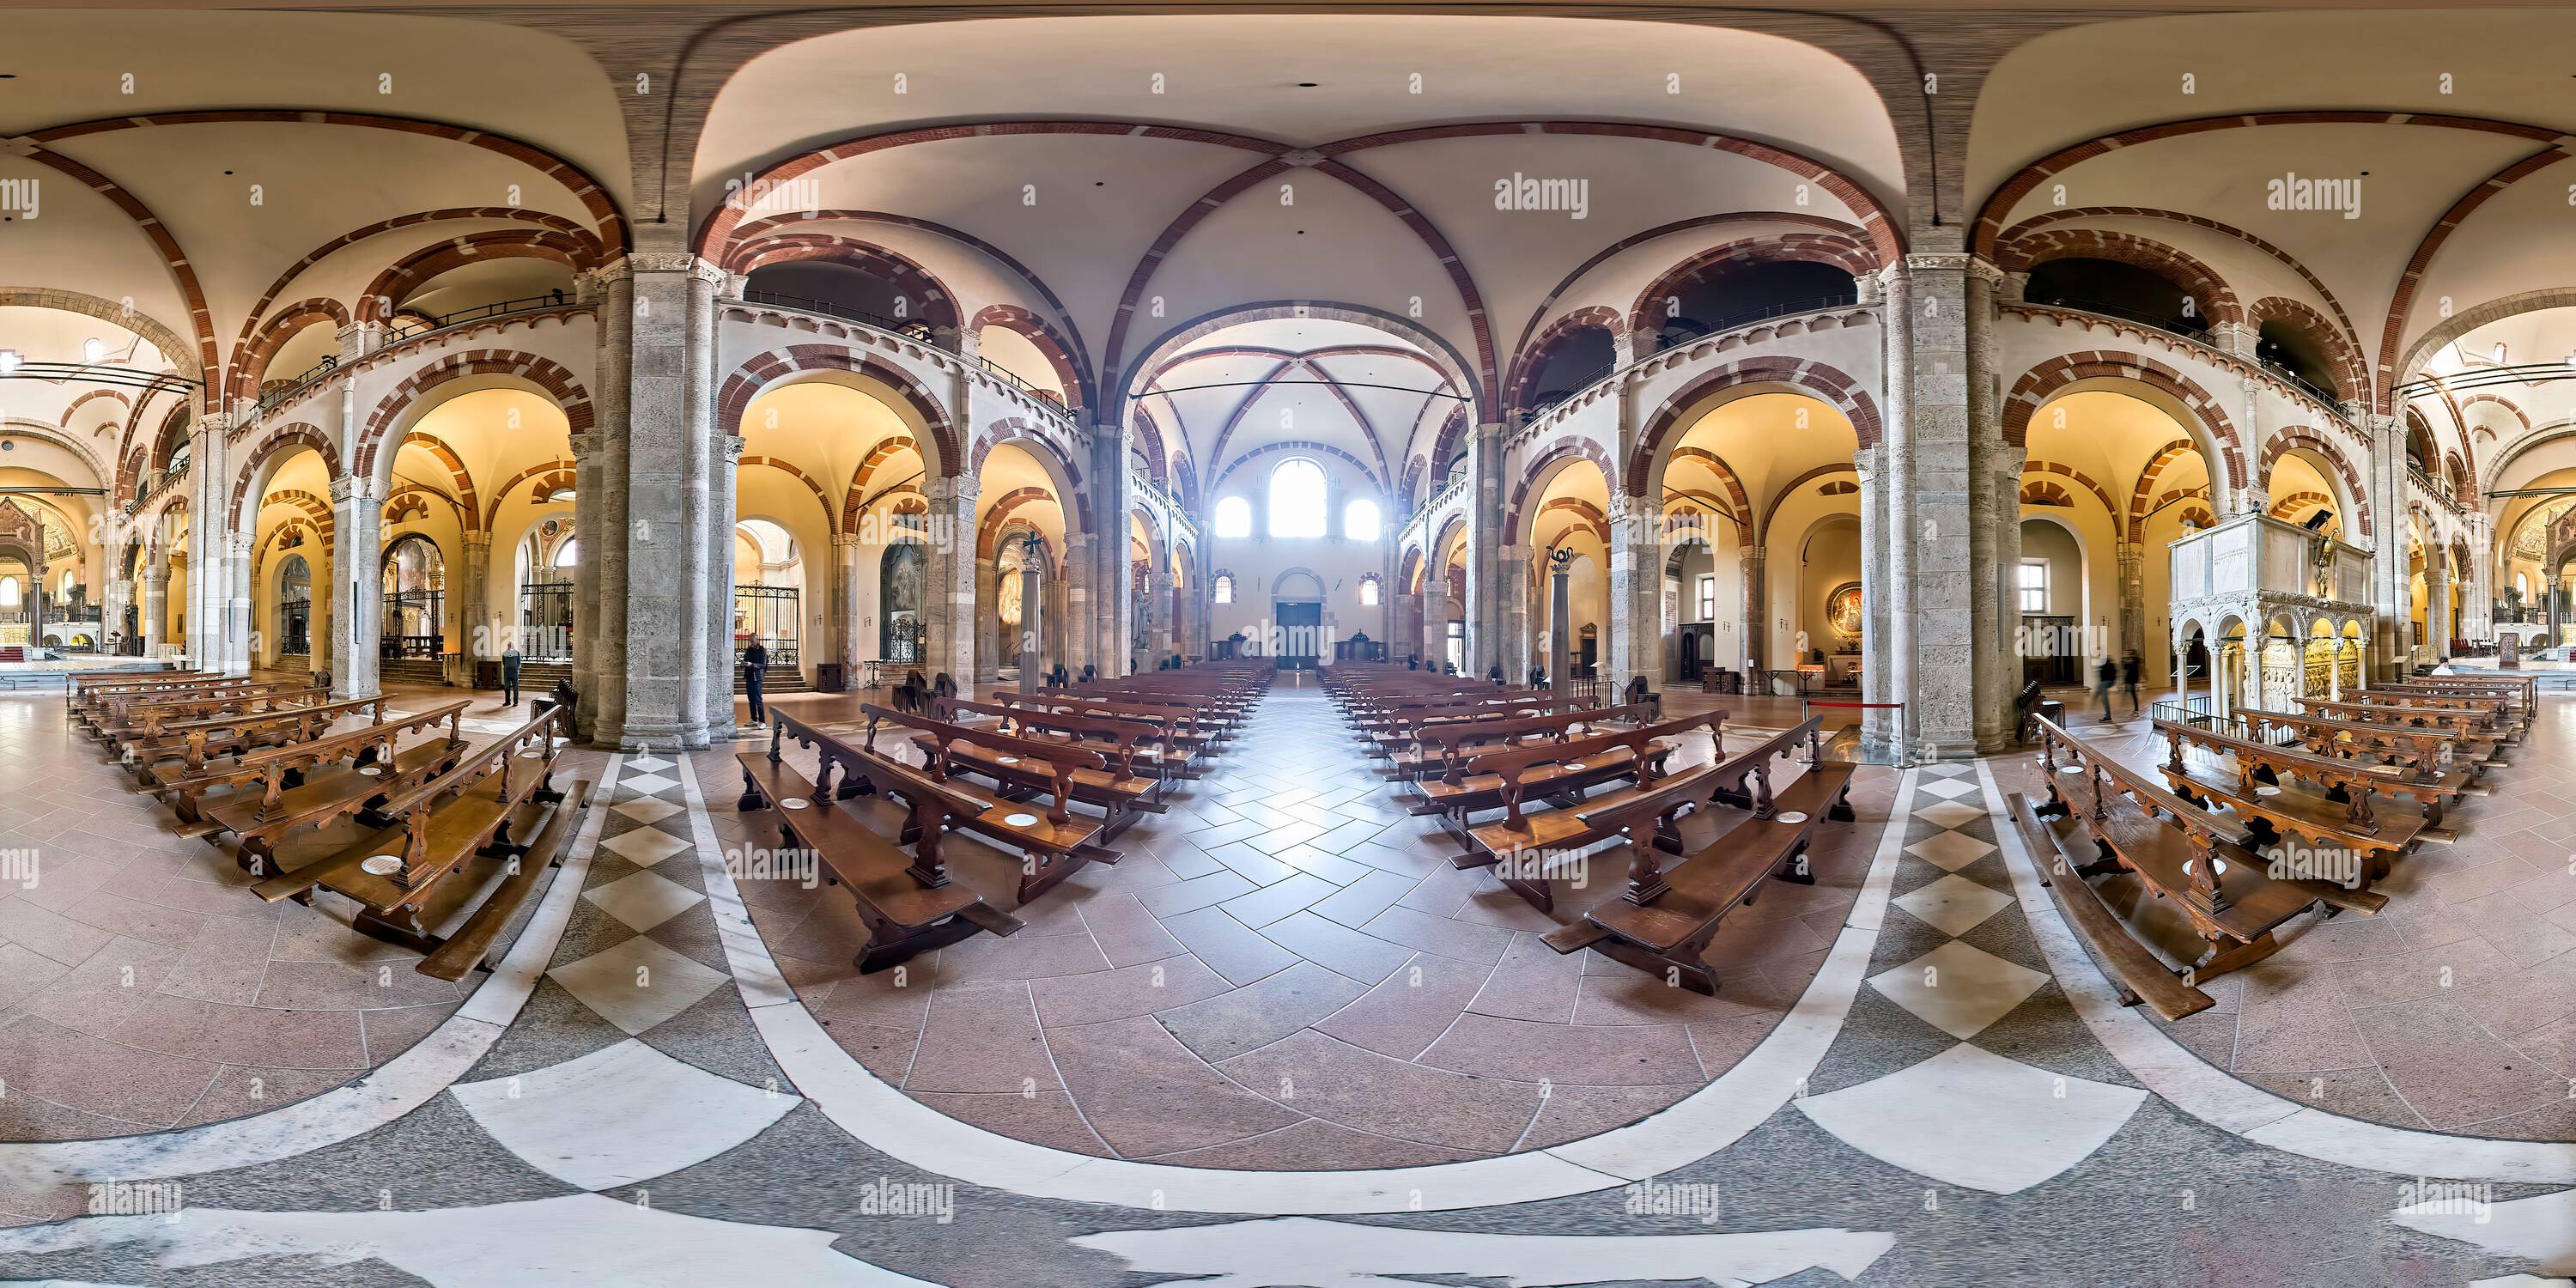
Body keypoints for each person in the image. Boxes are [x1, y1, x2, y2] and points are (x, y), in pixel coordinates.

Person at [741, 639, 769, 724]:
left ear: (757, 640)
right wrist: (743, 664)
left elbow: (763, 665)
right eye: (750, 640)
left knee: (758, 700)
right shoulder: (749, 650)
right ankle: (753, 719)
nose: (751, 642)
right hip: (749, 676)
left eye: (753, 640)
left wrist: (752, 664)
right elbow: (745, 660)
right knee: (751, 700)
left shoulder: (762, 650)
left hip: (757, 678)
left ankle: (762, 721)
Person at [2093, 655, 2118, 724]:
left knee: (2104, 699)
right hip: (2106, 683)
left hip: (2105, 683)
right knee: (2103, 698)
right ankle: (2107, 716)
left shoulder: (2106, 666)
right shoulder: (2107, 665)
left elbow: (2106, 676)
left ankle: (2108, 716)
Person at [2120, 650, 2142, 718]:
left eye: (2129, 652)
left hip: (2132, 681)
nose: (2127, 653)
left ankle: (2136, 711)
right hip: (2130, 680)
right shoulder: (2132, 660)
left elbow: (2128, 667)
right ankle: (2135, 710)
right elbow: (2126, 667)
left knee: (2133, 695)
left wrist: (2123, 659)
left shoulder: (2134, 661)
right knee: (2133, 695)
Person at [501, 641, 523, 708]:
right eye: (509, 644)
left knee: (515, 688)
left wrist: (515, 668)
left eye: (511, 644)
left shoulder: (517, 653)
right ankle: (507, 702)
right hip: (507, 673)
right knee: (506, 687)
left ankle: (515, 702)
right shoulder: (505, 653)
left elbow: (519, 662)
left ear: (513, 645)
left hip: (514, 673)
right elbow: (504, 662)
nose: (510, 645)